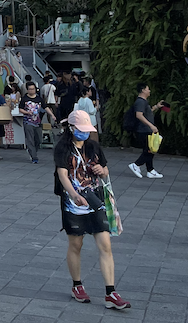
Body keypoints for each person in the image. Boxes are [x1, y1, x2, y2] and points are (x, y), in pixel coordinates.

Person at [54, 110, 130, 310]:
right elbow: (62, 174)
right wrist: (73, 195)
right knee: (76, 244)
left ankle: (110, 292)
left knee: (105, 244)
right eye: (81, 130)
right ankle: (77, 285)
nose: (85, 134)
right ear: (71, 128)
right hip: (74, 203)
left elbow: (105, 170)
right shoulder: (63, 147)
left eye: (87, 130)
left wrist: (102, 170)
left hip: (95, 199)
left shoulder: (93, 146)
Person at [124, 83, 164, 179]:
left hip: (146, 130)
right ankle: (136, 165)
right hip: (143, 130)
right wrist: (151, 126)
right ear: (143, 90)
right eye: (147, 88)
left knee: (150, 149)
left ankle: (150, 170)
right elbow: (139, 115)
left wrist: (157, 107)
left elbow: (147, 112)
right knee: (149, 150)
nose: (149, 91)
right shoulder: (140, 102)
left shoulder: (143, 102)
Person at [19, 82, 45, 164]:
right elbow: (20, 109)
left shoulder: (39, 99)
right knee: (30, 139)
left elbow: (45, 107)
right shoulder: (24, 99)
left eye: (33, 89)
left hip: (37, 122)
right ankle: (34, 157)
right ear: (27, 90)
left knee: (38, 139)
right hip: (28, 121)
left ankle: (32, 151)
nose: (31, 91)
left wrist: (52, 115)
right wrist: (27, 112)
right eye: (30, 89)